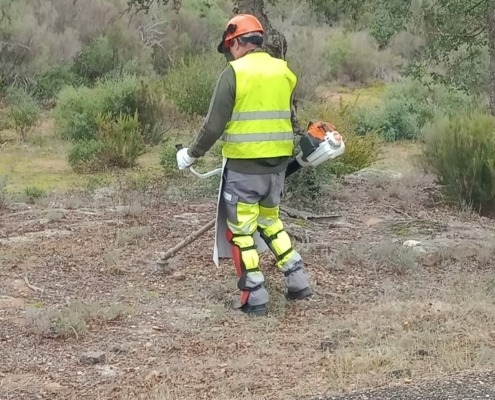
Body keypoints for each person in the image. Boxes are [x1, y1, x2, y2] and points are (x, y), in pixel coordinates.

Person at [176, 14, 313, 316]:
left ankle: (255, 295)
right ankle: (298, 280)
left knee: (242, 232)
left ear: (237, 42)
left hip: (243, 170)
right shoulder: (284, 71)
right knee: (270, 223)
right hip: (277, 167)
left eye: (230, 47)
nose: (230, 54)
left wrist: (190, 155)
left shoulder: (234, 73)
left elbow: (213, 126)